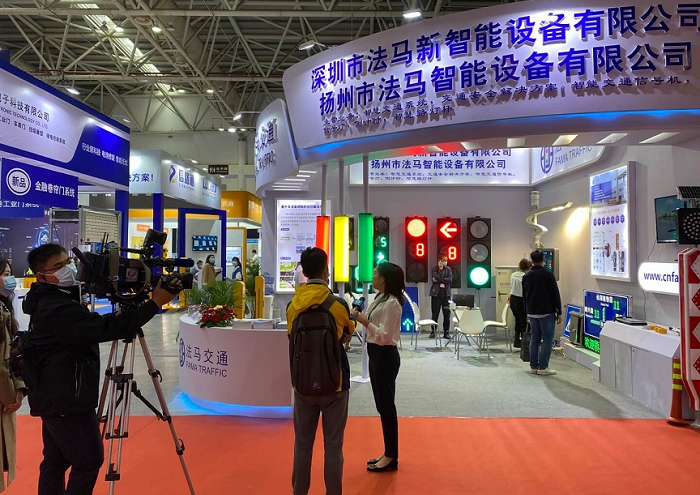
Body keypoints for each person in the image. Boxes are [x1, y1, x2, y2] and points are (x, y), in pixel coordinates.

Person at [22, 244, 181, 495]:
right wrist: (153, 304)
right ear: (42, 276)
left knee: (56, 459)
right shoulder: (56, 308)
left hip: (55, 394)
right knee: (88, 461)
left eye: (67, 262)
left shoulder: (52, 299)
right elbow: (105, 328)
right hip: (66, 399)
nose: (68, 269)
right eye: (59, 266)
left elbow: (97, 325)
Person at [286, 247, 354, 495]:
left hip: (303, 384)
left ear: (303, 272)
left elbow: (291, 337)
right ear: (326, 270)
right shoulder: (337, 304)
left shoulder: (293, 306)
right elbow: (348, 329)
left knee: (302, 444)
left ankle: (299, 492)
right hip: (335, 384)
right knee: (333, 445)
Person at [352, 262, 403, 473]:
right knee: (382, 406)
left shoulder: (392, 303)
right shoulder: (380, 298)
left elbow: (385, 336)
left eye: (375, 273)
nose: (372, 276)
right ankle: (388, 452)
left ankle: (391, 456)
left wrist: (364, 322)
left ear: (384, 278)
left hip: (385, 356)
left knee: (387, 407)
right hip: (375, 354)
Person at [0, 259, 26, 492]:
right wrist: (12, 394)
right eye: (5, 274)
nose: (9, 279)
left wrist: (18, 386)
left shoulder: (4, 307)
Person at [522, 250, 562, 376]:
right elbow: (555, 294)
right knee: (547, 340)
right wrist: (559, 311)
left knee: (535, 338)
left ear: (531, 260)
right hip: (546, 312)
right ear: (543, 260)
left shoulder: (526, 275)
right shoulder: (548, 274)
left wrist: (527, 312)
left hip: (532, 312)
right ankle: (543, 367)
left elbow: (525, 296)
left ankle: (533, 366)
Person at [507, 258, 531, 348]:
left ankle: (516, 341)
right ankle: (524, 342)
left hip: (513, 300)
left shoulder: (513, 275)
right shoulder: (526, 276)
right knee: (523, 321)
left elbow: (511, 287)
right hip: (522, 300)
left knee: (517, 320)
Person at [429, 255, 453, 339]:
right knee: (435, 313)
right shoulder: (434, 269)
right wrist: (440, 270)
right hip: (436, 294)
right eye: (444, 260)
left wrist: (439, 280)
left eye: (446, 260)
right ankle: (433, 331)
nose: (445, 262)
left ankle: (446, 332)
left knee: (447, 314)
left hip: (446, 294)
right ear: (440, 261)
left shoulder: (448, 269)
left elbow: (450, 279)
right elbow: (436, 277)